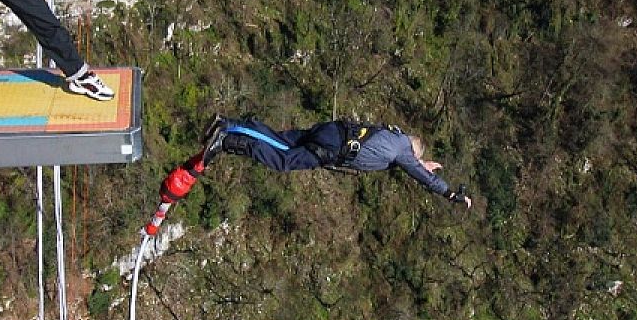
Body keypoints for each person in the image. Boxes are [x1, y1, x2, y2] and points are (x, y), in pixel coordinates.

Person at [201, 115, 473, 207]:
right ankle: (225, 140)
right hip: (333, 147)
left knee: (280, 140)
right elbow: (422, 176)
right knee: (283, 159)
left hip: (334, 131)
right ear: (414, 152)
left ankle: (229, 124)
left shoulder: (393, 136)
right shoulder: (403, 150)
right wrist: (450, 193)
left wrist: (418, 164)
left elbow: (409, 166)